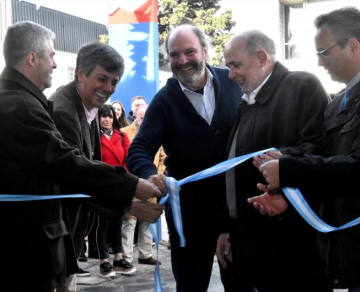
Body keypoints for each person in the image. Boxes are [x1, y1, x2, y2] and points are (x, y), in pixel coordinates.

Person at [0, 21, 163, 291]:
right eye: (51, 56)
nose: (54, 64)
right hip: (28, 245)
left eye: (114, 81)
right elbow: (68, 167)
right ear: (31, 58)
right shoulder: (25, 105)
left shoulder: (31, 101)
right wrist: (132, 190)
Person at [249, 7, 360, 292]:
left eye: (324, 53)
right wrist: (292, 197)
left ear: (353, 46)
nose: (320, 63)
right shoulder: (338, 102)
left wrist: (289, 170)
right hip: (347, 249)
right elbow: (329, 169)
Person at [126, 24, 242, 292]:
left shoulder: (233, 82)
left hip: (236, 210)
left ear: (205, 51)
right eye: (175, 55)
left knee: (242, 283)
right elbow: (138, 148)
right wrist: (149, 173)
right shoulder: (164, 100)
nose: (183, 60)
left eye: (190, 52)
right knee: (190, 285)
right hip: (188, 215)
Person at [217, 30, 330, 292]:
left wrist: (283, 168)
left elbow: (319, 149)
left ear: (261, 57)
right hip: (246, 242)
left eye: (235, 65)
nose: (231, 74)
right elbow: (232, 172)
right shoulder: (246, 104)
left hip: (290, 248)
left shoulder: (302, 86)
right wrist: (226, 228)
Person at [92, 104, 136, 277]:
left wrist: (124, 180)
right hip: (101, 185)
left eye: (110, 116)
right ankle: (104, 261)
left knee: (117, 222)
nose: (107, 119)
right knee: (102, 225)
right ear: (98, 118)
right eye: (103, 116)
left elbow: (128, 159)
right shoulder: (93, 136)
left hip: (119, 184)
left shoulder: (122, 136)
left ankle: (118, 259)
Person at [122, 104, 166, 266]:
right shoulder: (124, 132)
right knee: (129, 221)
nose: (144, 121)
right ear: (135, 116)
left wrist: (156, 175)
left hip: (152, 185)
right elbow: (124, 158)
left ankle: (145, 254)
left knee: (148, 221)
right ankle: (126, 258)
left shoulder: (157, 133)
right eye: (141, 118)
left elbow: (162, 157)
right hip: (132, 183)